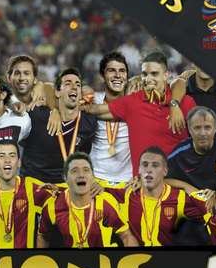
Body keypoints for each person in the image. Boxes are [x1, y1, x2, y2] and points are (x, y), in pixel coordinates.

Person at [82, 51, 195, 176]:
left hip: (176, 182)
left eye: (154, 74)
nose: (148, 79)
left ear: (166, 75)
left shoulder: (185, 102)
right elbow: (96, 110)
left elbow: (198, 139)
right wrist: (78, 100)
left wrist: (174, 104)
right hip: (142, 185)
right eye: (145, 74)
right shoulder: (134, 101)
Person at [37, 152, 138, 248]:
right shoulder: (53, 206)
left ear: (92, 176)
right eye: (74, 171)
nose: (81, 175)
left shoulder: (105, 203)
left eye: (86, 170)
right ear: (65, 178)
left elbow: (126, 236)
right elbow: (42, 236)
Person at [0, 139, 51, 248]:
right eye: (2, 156)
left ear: (19, 162)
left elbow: (65, 197)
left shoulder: (31, 187)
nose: (7, 160)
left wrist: (42, 235)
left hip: (23, 262)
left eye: (12, 155)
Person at [22, 68, 96, 183]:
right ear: (57, 92)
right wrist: (41, 86)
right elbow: (41, 87)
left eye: (78, 84)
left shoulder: (89, 122)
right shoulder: (36, 115)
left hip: (66, 188)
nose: (74, 87)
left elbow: (84, 152)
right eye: (68, 83)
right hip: (35, 186)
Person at [123, 147, 208, 246]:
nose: (149, 170)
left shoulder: (179, 198)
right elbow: (104, 194)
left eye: (155, 165)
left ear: (165, 171)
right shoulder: (128, 193)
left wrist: (185, 186)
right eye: (145, 165)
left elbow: (210, 209)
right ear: (139, 169)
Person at [167, 106, 216, 193]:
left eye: (207, 127)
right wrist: (186, 186)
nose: (203, 133)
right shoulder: (179, 153)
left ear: (215, 128)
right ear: (189, 129)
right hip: (192, 203)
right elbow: (163, 180)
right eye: (197, 128)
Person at [89, 51, 132, 183]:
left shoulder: (135, 103)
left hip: (128, 182)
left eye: (122, 71)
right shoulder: (93, 99)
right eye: (112, 71)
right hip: (96, 179)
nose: (118, 75)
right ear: (102, 75)